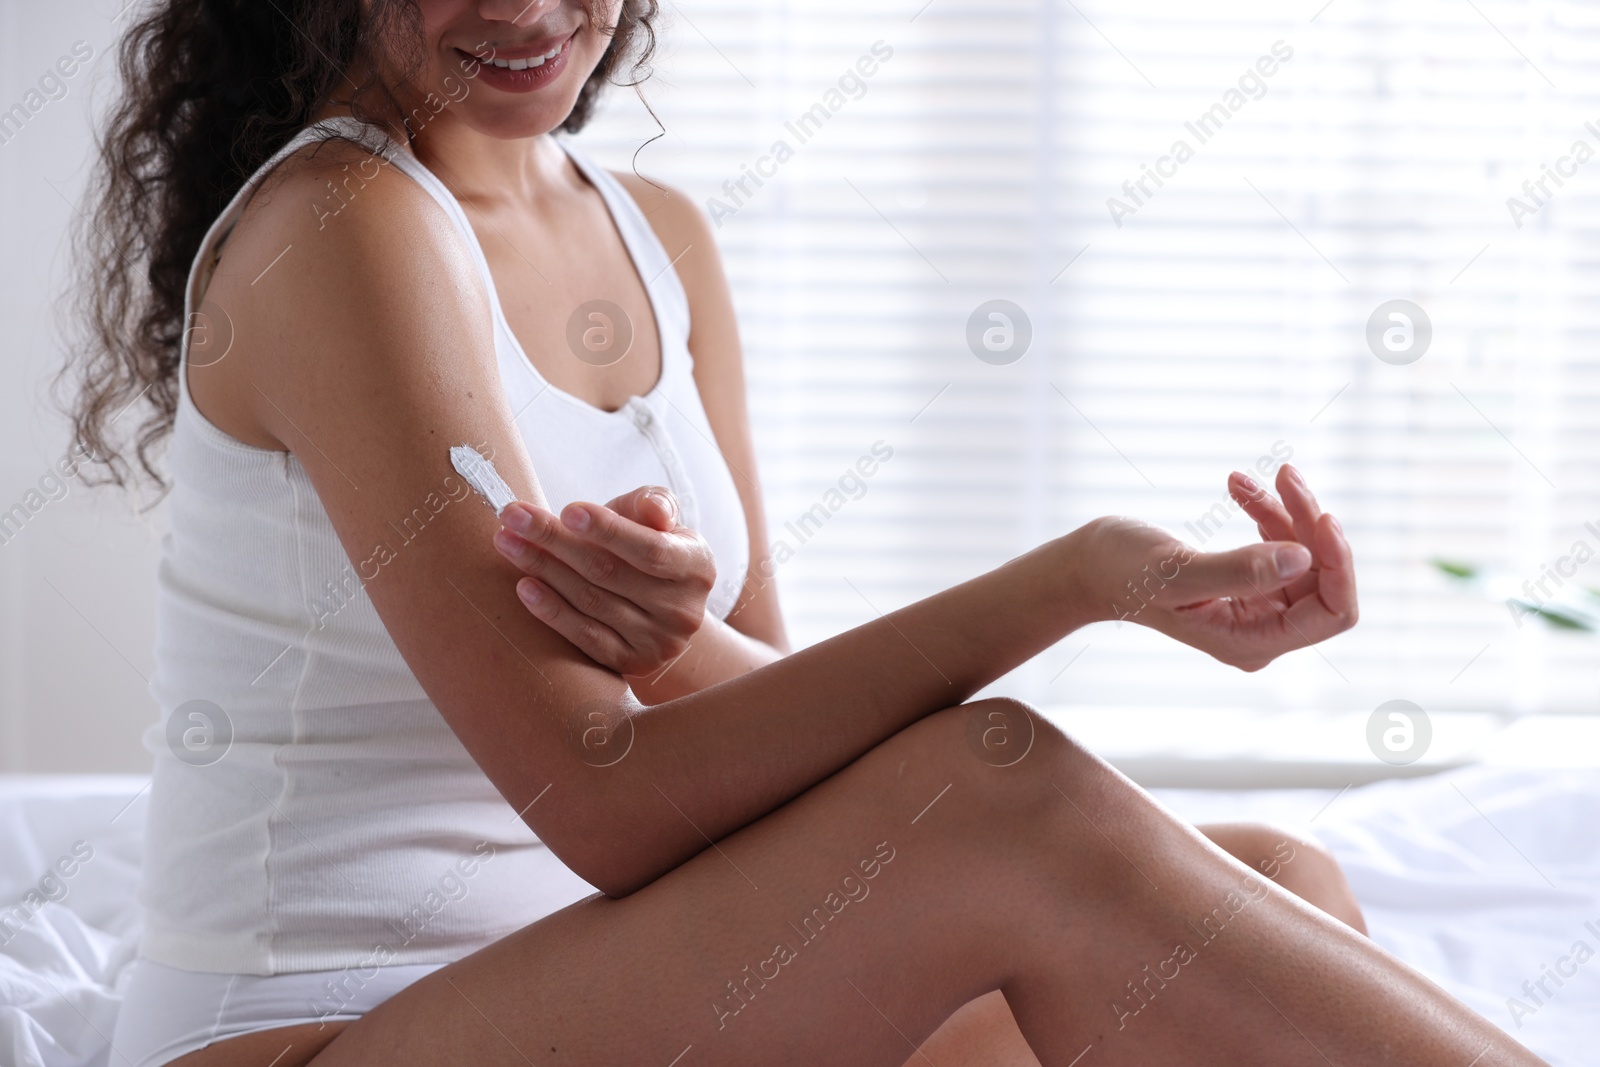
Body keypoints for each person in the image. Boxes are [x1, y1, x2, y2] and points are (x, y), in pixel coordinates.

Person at [62, 1, 1540, 1064]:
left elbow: (773, 750)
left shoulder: (654, 237)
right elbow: (616, 801)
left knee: (1285, 894)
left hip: (617, 984)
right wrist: (1082, 577)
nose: (523, 10)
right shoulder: (345, 227)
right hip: (331, 1024)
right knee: (1010, 801)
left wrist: (684, 637)